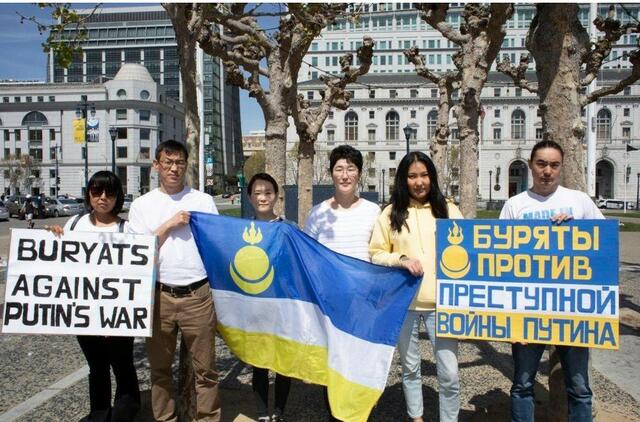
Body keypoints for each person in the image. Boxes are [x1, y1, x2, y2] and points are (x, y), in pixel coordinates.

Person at [500, 140, 603, 422]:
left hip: (572, 309)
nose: (547, 171)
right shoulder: (514, 205)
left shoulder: (579, 201)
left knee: (580, 387)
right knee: (522, 384)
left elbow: (604, 244)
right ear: (531, 165)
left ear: (562, 167)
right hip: (527, 309)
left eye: (554, 165)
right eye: (541, 164)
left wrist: (578, 230)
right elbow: (497, 258)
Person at [128, 139, 221, 422]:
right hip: (159, 296)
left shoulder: (203, 201)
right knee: (160, 371)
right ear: (156, 165)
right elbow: (138, 250)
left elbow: (217, 243)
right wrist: (169, 224)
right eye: (167, 162)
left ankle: (208, 419)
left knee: (206, 371)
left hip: (198, 295)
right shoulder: (142, 205)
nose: (173, 168)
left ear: (186, 165)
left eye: (179, 162)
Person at [369, 151, 462, 422]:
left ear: (432, 177)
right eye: (412, 176)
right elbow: (376, 253)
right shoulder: (390, 213)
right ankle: (416, 417)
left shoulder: (448, 209)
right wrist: (401, 259)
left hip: (442, 305)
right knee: (409, 368)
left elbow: (470, 246)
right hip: (404, 304)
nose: (419, 182)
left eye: (424, 175)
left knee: (449, 372)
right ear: (403, 179)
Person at [44, 171, 140, 422]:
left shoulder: (127, 228)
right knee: (97, 367)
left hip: (119, 314)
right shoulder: (75, 224)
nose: (103, 197)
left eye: (109, 192)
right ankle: (98, 414)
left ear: (117, 197)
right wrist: (53, 236)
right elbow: (60, 262)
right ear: (89, 195)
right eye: (97, 192)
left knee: (122, 365)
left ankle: (125, 412)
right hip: (84, 312)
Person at [303, 145, 380, 421]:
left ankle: (360, 414)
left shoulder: (374, 211)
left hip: (363, 303)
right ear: (331, 173)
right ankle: (336, 414)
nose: (345, 175)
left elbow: (381, 253)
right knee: (334, 364)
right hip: (330, 304)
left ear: (359, 174)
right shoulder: (318, 213)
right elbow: (307, 256)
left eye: (350, 169)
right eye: (339, 169)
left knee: (362, 362)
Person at [247, 172, 293, 422]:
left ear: (276, 196)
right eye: (257, 193)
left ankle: (279, 411)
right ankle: (262, 412)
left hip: (284, 306)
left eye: (268, 193)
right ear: (250, 197)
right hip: (255, 307)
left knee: (284, 361)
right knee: (259, 363)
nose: (263, 197)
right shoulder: (241, 230)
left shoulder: (289, 229)